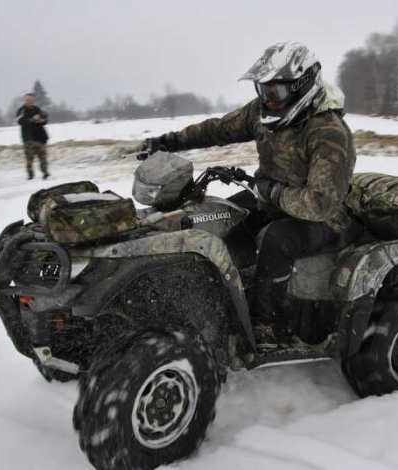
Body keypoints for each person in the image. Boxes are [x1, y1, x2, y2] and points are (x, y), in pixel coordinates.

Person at [144, 42, 356, 349]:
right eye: (264, 91)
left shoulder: (328, 133)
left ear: (302, 87)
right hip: (273, 200)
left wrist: (273, 191)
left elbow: (319, 203)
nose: (268, 102)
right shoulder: (261, 114)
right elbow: (217, 130)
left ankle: (268, 325)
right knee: (221, 218)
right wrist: (169, 141)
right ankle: (228, 297)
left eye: (276, 93)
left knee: (276, 240)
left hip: (326, 218)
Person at [16, 93, 50, 180]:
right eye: (27, 100)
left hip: (40, 138)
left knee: (43, 158)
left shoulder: (38, 109)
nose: (29, 102)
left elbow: (45, 118)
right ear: (25, 100)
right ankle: (30, 175)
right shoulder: (21, 110)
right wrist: (32, 119)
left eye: (31, 100)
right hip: (28, 139)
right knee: (29, 160)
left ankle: (45, 173)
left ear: (33, 100)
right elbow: (20, 122)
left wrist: (42, 120)